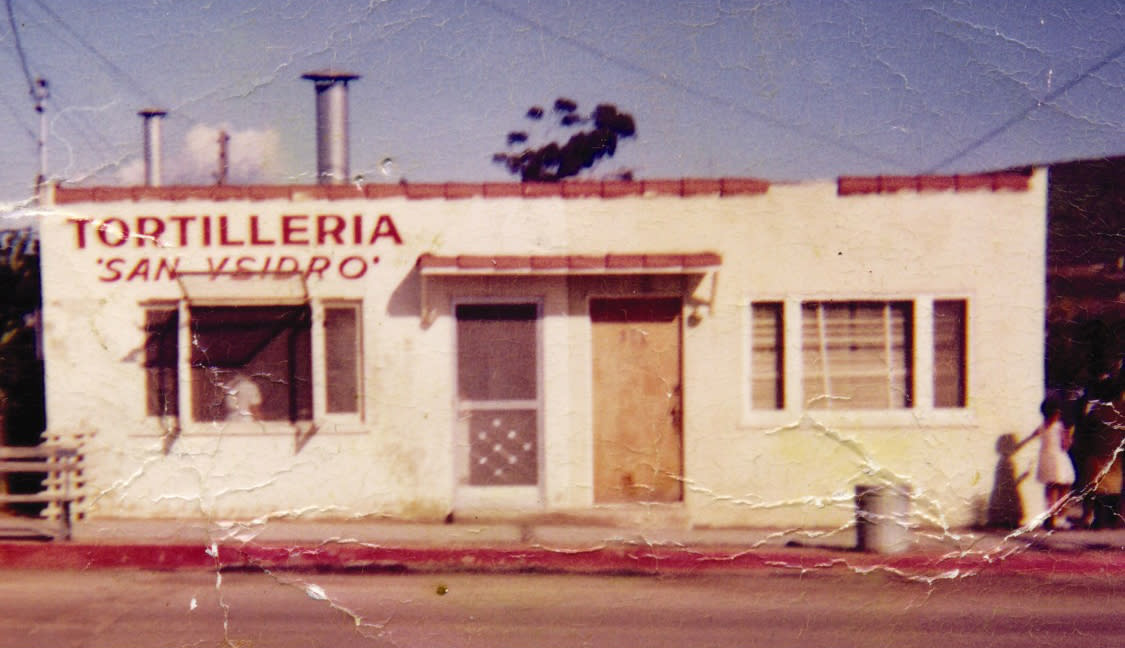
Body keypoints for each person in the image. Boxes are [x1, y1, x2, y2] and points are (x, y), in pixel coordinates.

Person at [1029, 396, 1076, 529]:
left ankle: (1050, 518)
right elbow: (1065, 445)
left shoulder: (1042, 426)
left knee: (1050, 491)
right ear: (1057, 413)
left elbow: (1034, 435)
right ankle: (1060, 518)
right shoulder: (1059, 426)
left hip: (1046, 459)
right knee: (1064, 489)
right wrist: (1070, 436)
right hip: (1059, 459)